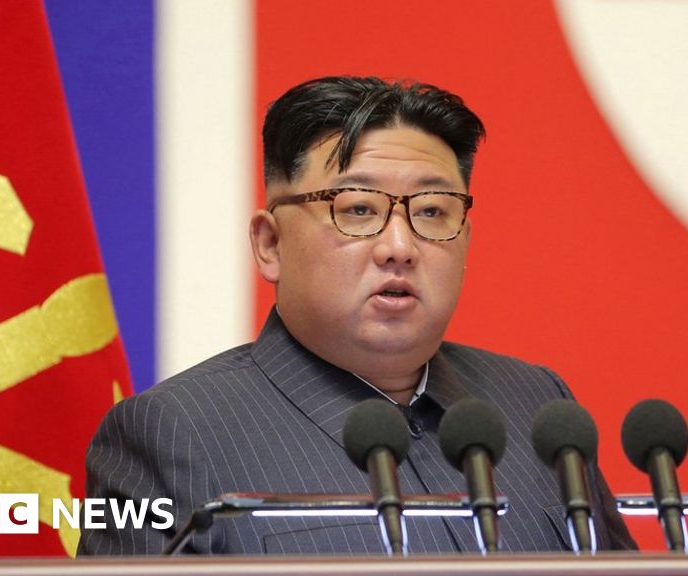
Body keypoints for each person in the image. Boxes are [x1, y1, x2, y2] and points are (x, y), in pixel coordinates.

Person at [77, 76, 637, 556]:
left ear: (466, 238)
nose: (400, 247)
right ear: (270, 244)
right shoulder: (167, 435)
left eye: (432, 211)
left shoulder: (536, 405)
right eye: (359, 209)